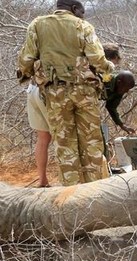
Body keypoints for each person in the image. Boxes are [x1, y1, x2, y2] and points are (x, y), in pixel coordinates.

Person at [17, 0, 114, 186]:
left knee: (64, 144)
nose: (82, 16)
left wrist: (26, 74)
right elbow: (96, 58)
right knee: (91, 142)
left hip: (55, 92)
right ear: (75, 9)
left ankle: (72, 195)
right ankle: (94, 191)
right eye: (82, 12)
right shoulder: (82, 26)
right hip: (84, 92)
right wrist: (108, 68)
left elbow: (26, 58)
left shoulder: (37, 25)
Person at [25, 61, 51, 188]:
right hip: (47, 90)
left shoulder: (35, 42)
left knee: (43, 138)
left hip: (32, 87)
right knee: (61, 136)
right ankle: (68, 181)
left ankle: (42, 180)